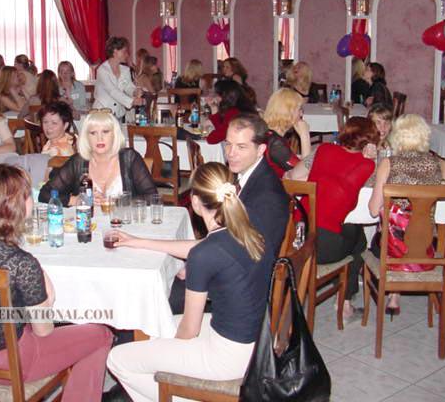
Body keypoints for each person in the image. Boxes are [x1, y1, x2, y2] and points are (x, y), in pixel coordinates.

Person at [107, 162, 271, 401]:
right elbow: (198, 248)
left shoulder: (204, 256)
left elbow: (189, 331)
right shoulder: (247, 232)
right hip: (255, 341)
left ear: (194, 201)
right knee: (155, 327)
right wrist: (137, 241)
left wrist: (169, 350)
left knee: (118, 359)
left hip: (227, 357)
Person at [0, 164, 113, 401]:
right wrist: (48, 295)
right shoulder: (22, 263)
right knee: (101, 334)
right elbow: (44, 330)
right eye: (28, 194)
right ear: (19, 206)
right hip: (13, 363)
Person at [111, 113, 289, 316]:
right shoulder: (246, 177)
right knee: (161, 274)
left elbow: (247, 256)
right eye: (228, 144)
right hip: (229, 270)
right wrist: (140, 242)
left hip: (239, 295)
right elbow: (221, 243)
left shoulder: (266, 197)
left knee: (150, 294)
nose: (231, 153)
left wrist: (198, 268)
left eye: (241, 147)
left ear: (261, 150)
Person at [368, 114, 445, 315]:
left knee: (376, 240)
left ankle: (393, 292)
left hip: (392, 252)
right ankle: (397, 292)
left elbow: (373, 210)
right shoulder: (438, 164)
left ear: (397, 136)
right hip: (426, 251)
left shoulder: (388, 164)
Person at [294, 117, 380, 318]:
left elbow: (298, 174)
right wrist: (372, 159)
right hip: (322, 247)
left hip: (297, 235)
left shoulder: (324, 149)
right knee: (359, 240)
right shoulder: (366, 165)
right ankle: (345, 303)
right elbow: (373, 189)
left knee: (352, 233)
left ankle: (341, 292)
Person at [38, 110, 157, 206]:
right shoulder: (78, 162)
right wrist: (75, 200)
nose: (99, 138)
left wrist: (117, 202)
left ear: (114, 135)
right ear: (86, 137)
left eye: (105, 132)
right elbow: (44, 194)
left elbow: (152, 197)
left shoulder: (130, 158)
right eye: (93, 133)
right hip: (88, 224)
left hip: (124, 224)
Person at [262, 87, 311, 178]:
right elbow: (305, 171)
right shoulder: (276, 144)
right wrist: (305, 135)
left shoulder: (270, 134)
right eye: (299, 110)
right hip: (278, 186)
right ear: (288, 112)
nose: (301, 114)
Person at [93, 37, 144, 121]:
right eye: (124, 51)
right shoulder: (102, 70)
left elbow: (128, 87)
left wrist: (135, 91)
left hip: (118, 114)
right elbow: (112, 91)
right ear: (115, 51)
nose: (127, 55)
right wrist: (132, 101)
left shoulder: (125, 70)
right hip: (102, 113)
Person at [206, 78, 256, 144]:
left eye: (215, 94)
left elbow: (212, 139)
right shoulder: (243, 107)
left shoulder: (233, 112)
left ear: (223, 96)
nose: (213, 97)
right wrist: (214, 108)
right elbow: (220, 130)